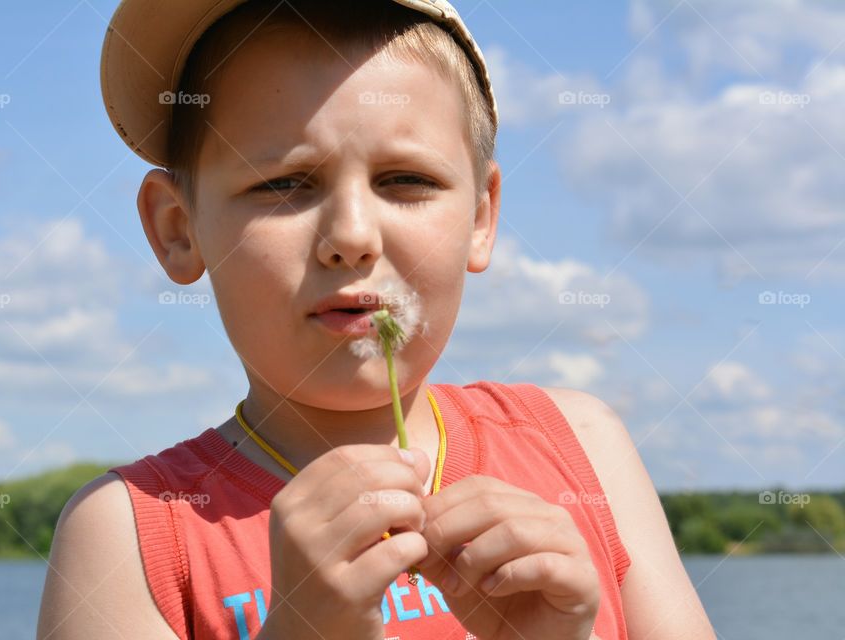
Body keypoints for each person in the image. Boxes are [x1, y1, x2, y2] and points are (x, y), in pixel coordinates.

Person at [37, 1, 715, 638]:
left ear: (481, 217)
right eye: (281, 184)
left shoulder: (583, 446)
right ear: (179, 229)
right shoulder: (129, 533)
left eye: (405, 181)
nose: (352, 235)